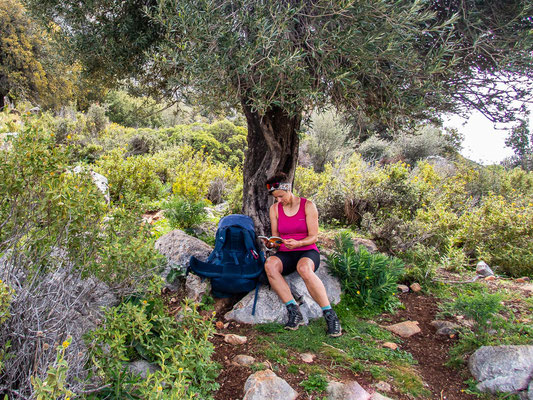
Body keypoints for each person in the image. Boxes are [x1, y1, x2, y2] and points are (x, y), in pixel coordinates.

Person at [261, 173, 342, 337]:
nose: (279, 201)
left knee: (304, 268)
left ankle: (330, 316)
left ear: (288, 189)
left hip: (307, 250)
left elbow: (314, 236)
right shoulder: (275, 209)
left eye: (281, 196)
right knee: (270, 264)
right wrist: (271, 243)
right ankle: (294, 311)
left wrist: (299, 243)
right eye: (275, 198)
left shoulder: (308, 205)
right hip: (286, 252)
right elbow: (276, 237)